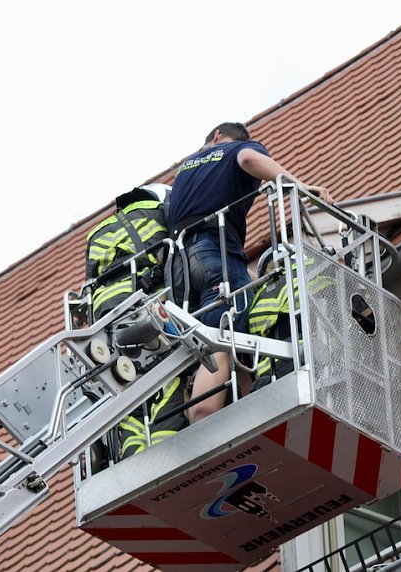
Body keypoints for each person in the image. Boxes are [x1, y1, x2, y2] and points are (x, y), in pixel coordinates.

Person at [168, 122, 330, 423]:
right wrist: (301, 188)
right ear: (220, 137)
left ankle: (232, 408)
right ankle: (205, 418)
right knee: (224, 334)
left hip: (180, 266)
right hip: (217, 251)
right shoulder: (234, 149)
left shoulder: (184, 171)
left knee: (213, 335)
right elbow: (248, 160)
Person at [84, 184, 188, 460]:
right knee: (167, 380)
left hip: (108, 319)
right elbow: (175, 258)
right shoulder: (158, 211)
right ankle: (166, 453)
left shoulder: (96, 233)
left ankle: (134, 459)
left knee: (130, 392)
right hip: (143, 306)